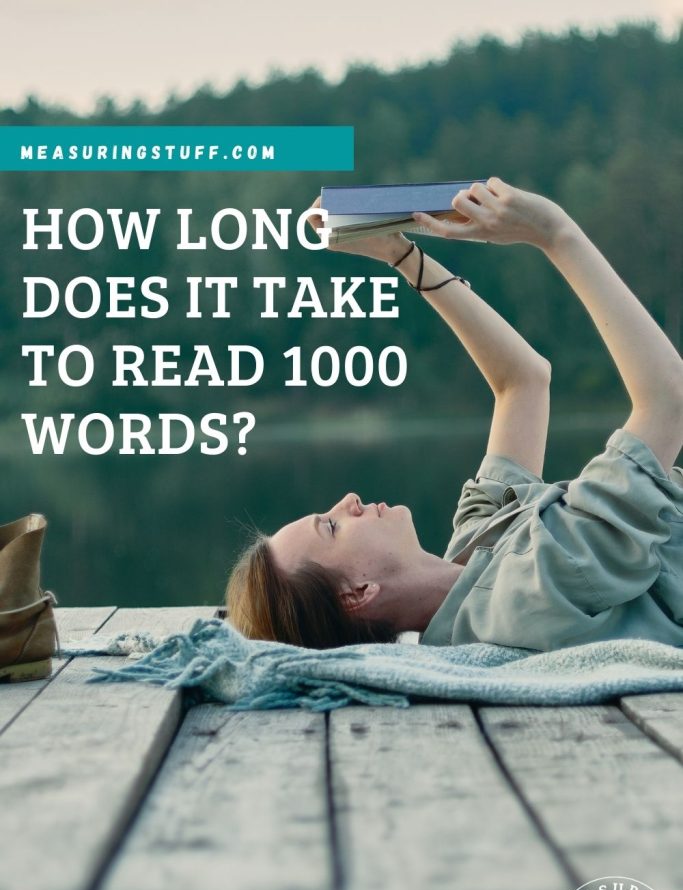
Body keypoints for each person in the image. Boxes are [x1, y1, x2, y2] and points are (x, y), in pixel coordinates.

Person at [225, 178, 683, 651]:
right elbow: (668, 399)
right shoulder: (525, 596)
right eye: (333, 526)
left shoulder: (472, 552)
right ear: (358, 594)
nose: (349, 499)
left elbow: (522, 383)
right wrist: (553, 232)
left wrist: (399, 255)